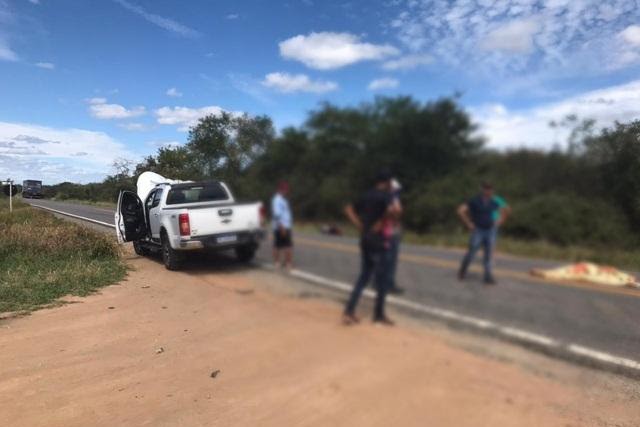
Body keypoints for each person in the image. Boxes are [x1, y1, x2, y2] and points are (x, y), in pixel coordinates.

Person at [343, 170, 401, 325]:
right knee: (382, 278)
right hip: (379, 240)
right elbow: (394, 212)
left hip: (365, 238)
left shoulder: (366, 195)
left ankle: (349, 311)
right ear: (387, 182)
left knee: (364, 276)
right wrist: (382, 223)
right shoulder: (386, 196)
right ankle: (379, 314)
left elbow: (348, 209)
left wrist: (360, 226)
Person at [457, 182, 510, 285]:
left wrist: (500, 221)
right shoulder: (475, 201)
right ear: (482, 189)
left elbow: (505, 210)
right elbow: (460, 210)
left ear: (492, 190)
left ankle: (488, 276)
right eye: (486, 189)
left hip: (490, 230)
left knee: (488, 254)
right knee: (471, 253)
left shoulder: (493, 202)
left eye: (490, 189)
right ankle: (463, 270)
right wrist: (468, 223)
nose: (488, 191)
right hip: (478, 230)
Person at [386, 179, 404, 294]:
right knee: (391, 259)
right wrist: (397, 221)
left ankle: (380, 282)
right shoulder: (392, 197)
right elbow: (398, 209)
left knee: (382, 258)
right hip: (391, 230)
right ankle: (389, 284)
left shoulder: (381, 196)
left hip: (382, 230)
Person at [271, 181, 293, 270]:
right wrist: (282, 226)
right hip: (282, 226)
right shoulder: (277, 200)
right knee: (286, 245)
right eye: (284, 189)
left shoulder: (282, 199)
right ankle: (286, 264)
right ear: (280, 189)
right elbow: (277, 214)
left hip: (284, 226)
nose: (286, 191)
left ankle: (281, 263)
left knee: (279, 245)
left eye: (286, 189)